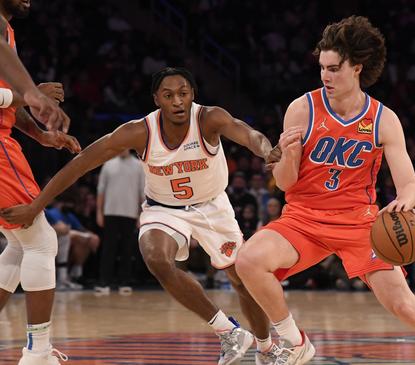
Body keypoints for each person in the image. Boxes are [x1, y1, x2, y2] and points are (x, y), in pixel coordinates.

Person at [1, 67, 282, 365]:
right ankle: (227, 331)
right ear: (156, 99)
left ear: (193, 96)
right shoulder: (139, 131)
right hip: (163, 209)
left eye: (183, 94)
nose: (177, 101)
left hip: (212, 206)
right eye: (168, 95)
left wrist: (266, 151)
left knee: (241, 281)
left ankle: (265, 349)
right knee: (156, 259)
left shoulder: (209, 117)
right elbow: (81, 164)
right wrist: (37, 205)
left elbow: (247, 133)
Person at [235, 16, 415, 365]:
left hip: (359, 224)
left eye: (334, 68)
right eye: (322, 68)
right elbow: (285, 184)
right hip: (303, 219)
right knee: (248, 261)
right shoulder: (302, 109)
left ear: (357, 68)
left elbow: (408, 183)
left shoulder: (382, 119)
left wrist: (404, 202)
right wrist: (289, 153)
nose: (325, 76)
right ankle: (293, 340)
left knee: (405, 305)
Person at [0, 1, 80, 364]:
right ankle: (38, 354)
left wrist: (40, 135)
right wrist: (30, 95)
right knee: (41, 241)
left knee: (19, 243)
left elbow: (6, 103)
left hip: (6, 138)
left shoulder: (7, 29)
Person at [95, 150, 145, 294]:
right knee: (108, 249)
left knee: (127, 249)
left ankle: (125, 282)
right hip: (110, 212)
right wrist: (99, 212)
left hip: (130, 213)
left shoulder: (138, 165)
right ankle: (104, 282)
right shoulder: (108, 164)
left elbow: (142, 192)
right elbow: (101, 191)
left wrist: (141, 214)